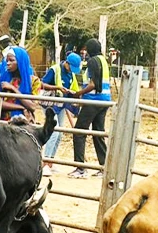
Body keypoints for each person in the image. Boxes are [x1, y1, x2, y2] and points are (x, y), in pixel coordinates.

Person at [68, 38, 110, 178]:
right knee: (98, 133)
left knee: (79, 132)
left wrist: (78, 94)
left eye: (86, 49)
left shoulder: (92, 61)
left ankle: (80, 168)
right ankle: (104, 167)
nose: (85, 52)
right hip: (104, 101)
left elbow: (92, 84)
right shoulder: (103, 60)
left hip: (93, 101)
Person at [38, 52, 83, 175]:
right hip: (50, 104)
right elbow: (42, 84)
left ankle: (51, 161)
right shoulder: (55, 70)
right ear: (67, 63)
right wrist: (56, 88)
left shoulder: (71, 74)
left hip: (61, 105)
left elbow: (74, 89)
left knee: (60, 133)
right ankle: (45, 162)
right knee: (54, 131)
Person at [0, 46, 39, 121]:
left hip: (25, 122)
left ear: (20, 62)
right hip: (4, 123)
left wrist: (13, 88)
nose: (8, 63)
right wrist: (21, 107)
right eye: (7, 61)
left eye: (11, 60)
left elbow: (32, 106)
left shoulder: (34, 81)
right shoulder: (3, 79)